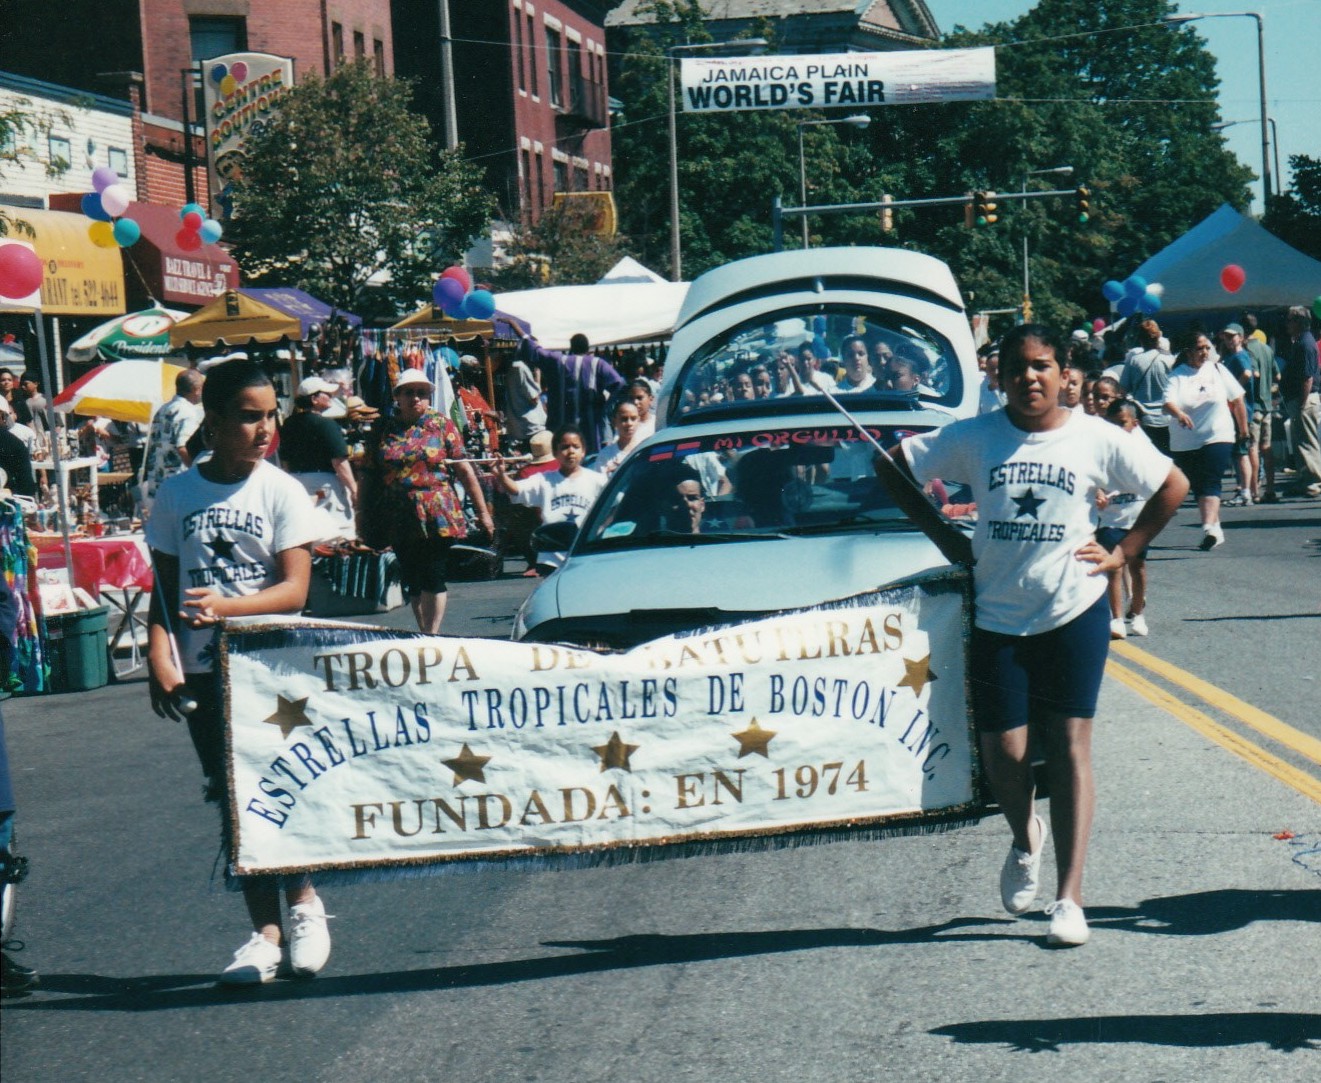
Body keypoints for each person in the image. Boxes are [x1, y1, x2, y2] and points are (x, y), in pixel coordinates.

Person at [888, 324, 1187, 948]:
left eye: (1043, 366)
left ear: (1063, 372)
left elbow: (1173, 484)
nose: (1030, 377)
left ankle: (1069, 898)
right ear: (997, 375)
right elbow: (891, 466)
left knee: (1071, 745)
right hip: (998, 617)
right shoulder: (974, 437)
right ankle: (1025, 837)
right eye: (1017, 367)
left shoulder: (1097, 437)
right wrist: (943, 533)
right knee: (1006, 754)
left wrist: (1122, 551)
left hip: (1074, 611)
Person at [145, 359, 331, 985]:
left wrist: (228, 608)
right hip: (205, 672)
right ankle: (264, 934)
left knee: (279, 788)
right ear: (215, 420)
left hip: (271, 666)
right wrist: (158, 655)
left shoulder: (279, 490)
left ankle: (304, 906)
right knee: (232, 799)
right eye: (249, 417)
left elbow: (295, 589)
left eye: (271, 415)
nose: (264, 428)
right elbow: (164, 592)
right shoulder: (177, 495)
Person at [361, 369, 494, 633]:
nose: (415, 398)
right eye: (409, 392)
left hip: (437, 511)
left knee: (433, 574)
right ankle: (423, 631)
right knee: (412, 578)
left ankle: (431, 633)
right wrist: (362, 516)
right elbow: (368, 474)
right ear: (397, 396)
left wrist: (484, 513)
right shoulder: (383, 429)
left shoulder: (442, 424)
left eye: (422, 393)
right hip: (399, 513)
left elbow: (464, 469)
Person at [1164, 330, 1249, 551]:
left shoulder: (1218, 370)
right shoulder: (1177, 375)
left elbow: (1238, 398)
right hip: (1186, 441)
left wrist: (1244, 428)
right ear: (1188, 351)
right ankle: (1215, 528)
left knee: (1211, 481)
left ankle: (1209, 528)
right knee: (1199, 485)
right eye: (1199, 349)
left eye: (1206, 348)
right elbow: (1167, 403)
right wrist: (1179, 414)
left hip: (1218, 434)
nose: (1204, 353)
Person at [493, 425, 606, 576]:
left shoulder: (596, 480)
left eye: (576, 447)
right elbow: (517, 490)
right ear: (555, 452)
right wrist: (501, 475)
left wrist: (601, 528)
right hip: (551, 558)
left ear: (583, 451)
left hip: (583, 554)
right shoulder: (544, 480)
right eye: (565, 447)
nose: (571, 451)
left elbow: (616, 505)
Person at [1097, 399, 1154, 638]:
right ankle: (1117, 618)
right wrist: (1099, 493)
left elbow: (1155, 478)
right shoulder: (1102, 448)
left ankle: (1138, 613)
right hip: (1111, 517)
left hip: (1136, 517)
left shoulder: (1142, 448)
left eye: (1122, 423)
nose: (1117, 429)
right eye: (1112, 424)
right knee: (1114, 568)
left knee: (1138, 567)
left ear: (1135, 423)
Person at [516, 329, 624, 454]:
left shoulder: (558, 361)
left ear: (571, 347)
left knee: (563, 457)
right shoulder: (598, 364)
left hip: (561, 427)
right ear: (588, 348)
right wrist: (606, 407)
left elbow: (536, 350)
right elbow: (619, 384)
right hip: (590, 429)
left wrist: (518, 329)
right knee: (590, 461)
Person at [280, 376, 357, 539]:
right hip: (324, 486)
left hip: (297, 483)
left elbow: (285, 461)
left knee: (305, 532)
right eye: (326, 394)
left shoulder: (289, 424)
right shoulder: (326, 425)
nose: (330, 397)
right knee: (337, 533)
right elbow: (339, 463)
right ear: (314, 399)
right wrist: (354, 489)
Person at [142, 369, 205, 513]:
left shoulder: (163, 409)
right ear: (196, 389)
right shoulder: (187, 412)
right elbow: (182, 447)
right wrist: (199, 474)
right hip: (178, 484)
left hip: (158, 484)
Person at [1280, 306, 1321, 496]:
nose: (1287, 324)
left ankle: (1314, 482)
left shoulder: (1305, 343)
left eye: (1290, 320)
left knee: (1307, 442)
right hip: (1300, 399)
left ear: (1299, 321)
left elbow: (1307, 377)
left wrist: (1303, 403)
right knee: (1300, 441)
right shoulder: (1301, 342)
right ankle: (1306, 478)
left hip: (1305, 400)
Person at [1217, 323, 1259, 506]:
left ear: (1241, 337)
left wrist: (1233, 392)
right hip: (1239, 409)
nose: (1228, 340)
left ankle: (1245, 492)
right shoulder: (1234, 356)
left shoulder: (1239, 356)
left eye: (1232, 336)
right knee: (1241, 452)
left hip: (1239, 411)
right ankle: (1246, 490)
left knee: (1241, 453)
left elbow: (1248, 374)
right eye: (1226, 337)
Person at [1118, 319, 1175, 453]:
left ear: (1141, 339)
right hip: (1167, 418)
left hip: (1143, 419)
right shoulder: (1169, 360)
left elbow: (1122, 389)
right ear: (1158, 338)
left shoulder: (1134, 361)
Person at [1240, 318, 1279, 502]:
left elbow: (1253, 373)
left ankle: (1255, 490)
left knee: (1252, 447)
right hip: (1267, 405)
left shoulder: (1248, 350)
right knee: (1266, 447)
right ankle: (1270, 489)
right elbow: (1277, 374)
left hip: (1253, 404)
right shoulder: (1267, 348)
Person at [595, 397, 644, 478]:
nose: (629, 423)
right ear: (614, 422)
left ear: (638, 420)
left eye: (633, 418)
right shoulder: (605, 455)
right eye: (624, 419)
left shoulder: (644, 449)